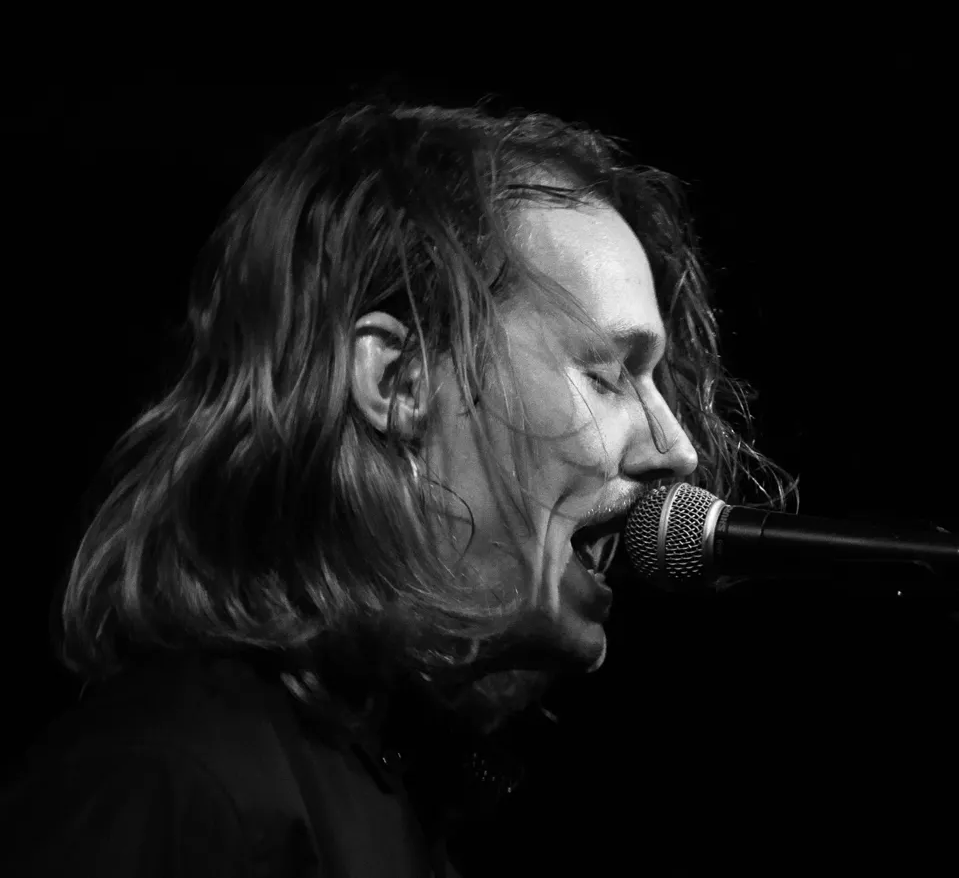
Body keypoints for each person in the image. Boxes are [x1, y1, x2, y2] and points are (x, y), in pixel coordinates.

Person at [0, 101, 795, 876]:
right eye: (609, 374)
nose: (677, 449)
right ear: (399, 380)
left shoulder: (399, 793)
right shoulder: (179, 786)